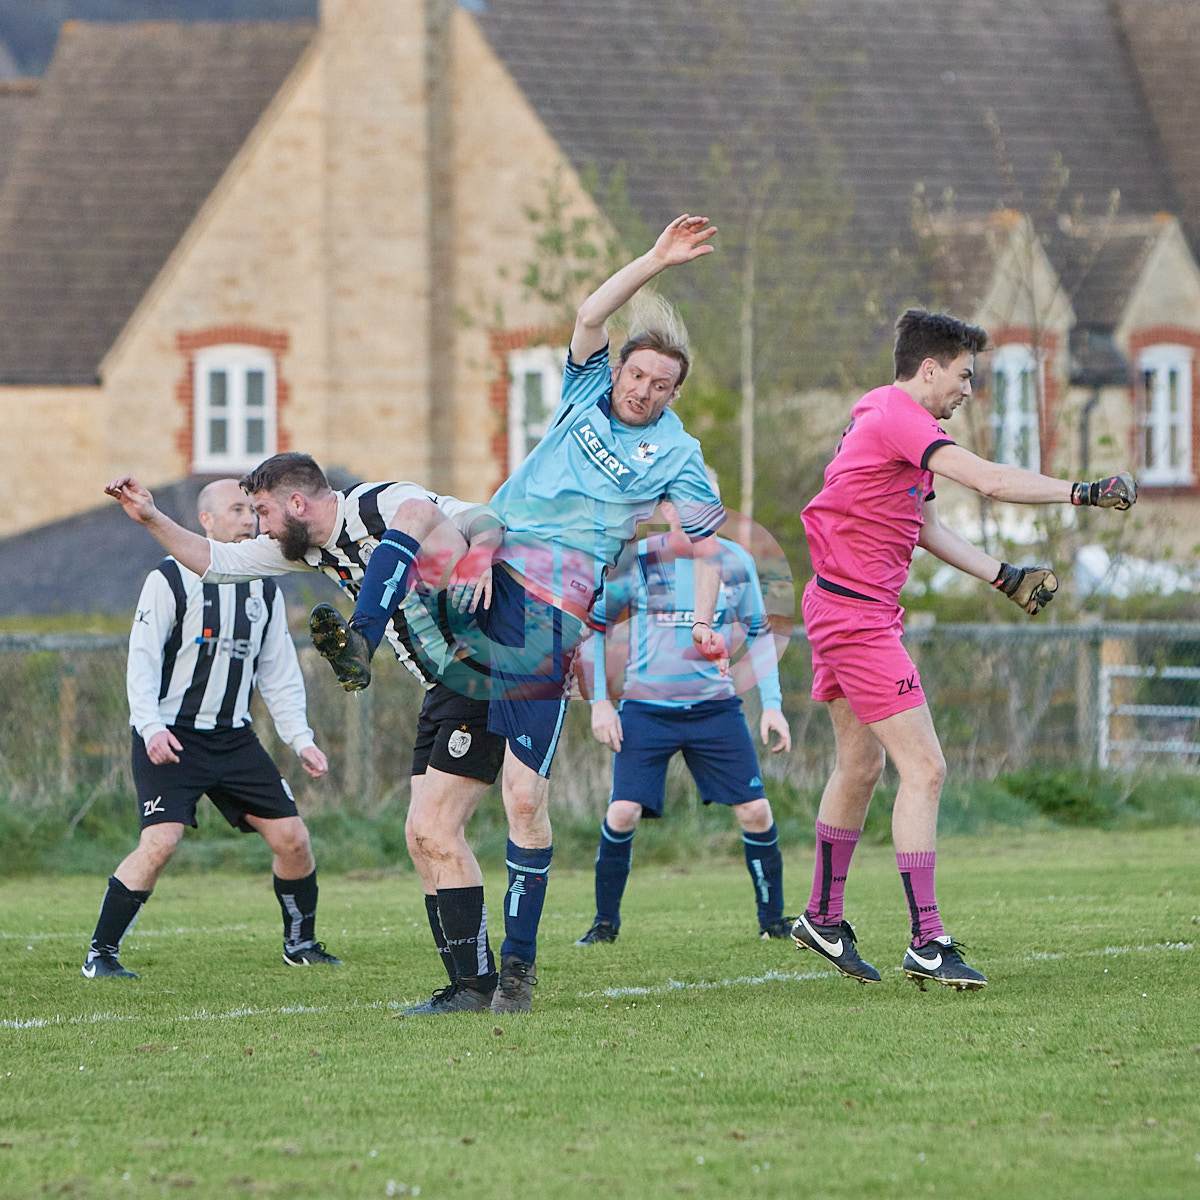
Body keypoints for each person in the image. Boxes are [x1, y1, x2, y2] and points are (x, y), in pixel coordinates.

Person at [320, 215, 730, 1012]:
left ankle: (517, 969)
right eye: (637, 374)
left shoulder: (678, 455)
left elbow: (705, 547)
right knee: (426, 519)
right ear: (618, 371)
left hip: (545, 619)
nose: (643, 389)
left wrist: (705, 619)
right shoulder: (585, 393)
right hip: (489, 568)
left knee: (522, 798)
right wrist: (654, 259)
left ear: (675, 394)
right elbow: (590, 314)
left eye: (660, 384)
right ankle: (362, 639)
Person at [791, 308, 1137, 990]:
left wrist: (1003, 575)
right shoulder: (899, 418)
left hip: (843, 605)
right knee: (925, 768)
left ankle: (822, 918)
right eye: (964, 375)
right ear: (929, 369)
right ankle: (927, 940)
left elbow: (924, 527)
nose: (968, 391)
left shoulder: (883, 418)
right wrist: (1082, 492)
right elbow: (990, 481)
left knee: (859, 766)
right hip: (856, 618)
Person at [103, 456, 506, 1012]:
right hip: (442, 688)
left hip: (481, 671)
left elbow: (478, 516)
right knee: (422, 838)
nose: (259, 525)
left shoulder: (379, 504)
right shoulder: (307, 549)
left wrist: (481, 552)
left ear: (297, 504)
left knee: (443, 830)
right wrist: (150, 517)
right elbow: (215, 561)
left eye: (263, 511)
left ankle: (482, 986)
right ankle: (468, 984)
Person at [83, 479, 336, 978]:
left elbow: (278, 671)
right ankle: (101, 955)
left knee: (293, 839)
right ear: (206, 521)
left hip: (233, 738)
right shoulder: (170, 578)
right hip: (171, 735)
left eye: (252, 510)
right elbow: (142, 660)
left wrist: (300, 738)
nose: (249, 519)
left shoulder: (263, 585)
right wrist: (150, 727)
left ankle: (301, 945)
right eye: (237, 509)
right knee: (160, 842)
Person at [576, 501, 794, 943]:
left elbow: (758, 632)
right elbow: (596, 628)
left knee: (756, 811)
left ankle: (773, 923)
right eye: (683, 502)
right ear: (665, 509)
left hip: (715, 709)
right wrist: (600, 703)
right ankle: (604, 925)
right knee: (622, 812)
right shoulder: (638, 559)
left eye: (704, 502)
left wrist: (772, 705)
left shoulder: (734, 560)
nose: (694, 513)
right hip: (645, 709)